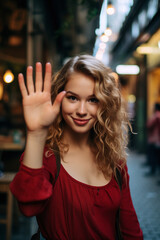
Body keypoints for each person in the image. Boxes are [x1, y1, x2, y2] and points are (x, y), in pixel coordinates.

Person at [10, 55, 143, 240]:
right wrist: (36, 133)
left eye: (93, 100)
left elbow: (130, 229)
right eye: (72, 98)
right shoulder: (46, 155)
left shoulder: (114, 158)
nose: (81, 110)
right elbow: (28, 208)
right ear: (59, 98)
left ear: (105, 104)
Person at [145, 102, 160, 176]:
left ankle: (152, 170)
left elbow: (149, 124)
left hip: (154, 139)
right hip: (156, 139)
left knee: (153, 155)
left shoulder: (156, 115)